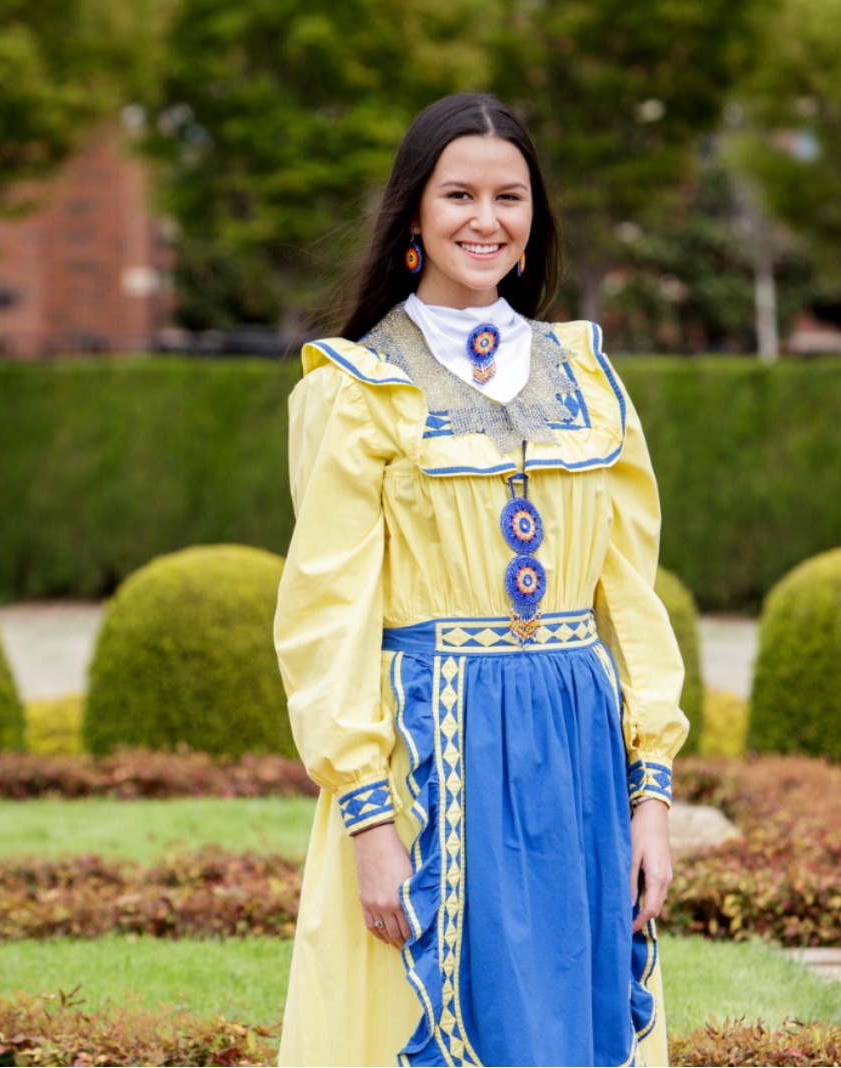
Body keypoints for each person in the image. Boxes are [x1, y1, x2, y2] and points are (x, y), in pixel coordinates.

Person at [274, 92, 689, 1068]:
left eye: (510, 196)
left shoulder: (588, 378)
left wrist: (653, 798)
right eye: (458, 194)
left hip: (580, 760)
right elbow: (327, 615)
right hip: (432, 759)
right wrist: (370, 823)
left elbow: (631, 598)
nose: (486, 220)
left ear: (534, 213)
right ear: (413, 212)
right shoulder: (356, 388)